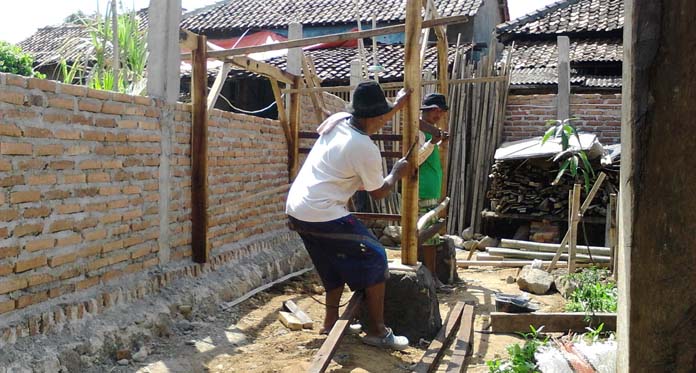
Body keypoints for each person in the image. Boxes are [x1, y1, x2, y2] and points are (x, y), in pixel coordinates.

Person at [286, 81, 412, 350]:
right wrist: (396, 173)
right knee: (377, 255)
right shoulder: (364, 147)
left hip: (297, 208)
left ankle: (331, 322)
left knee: (331, 264)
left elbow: (373, 117)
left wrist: (397, 106)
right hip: (323, 212)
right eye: (384, 115)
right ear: (377, 117)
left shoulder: (339, 119)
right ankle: (378, 331)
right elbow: (379, 192)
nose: (384, 120)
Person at [416, 93, 450, 290]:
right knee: (428, 236)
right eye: (435, 110)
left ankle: (431, 278)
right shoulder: (420, 131)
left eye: (440, 111)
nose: (438, 115)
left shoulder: (430, 131)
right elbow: (416, 159)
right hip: (422, 188)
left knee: (430, 236)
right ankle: (431, 279)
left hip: (430, 188)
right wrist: (433, 142)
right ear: (427, 111)